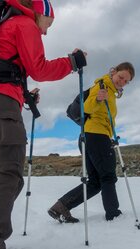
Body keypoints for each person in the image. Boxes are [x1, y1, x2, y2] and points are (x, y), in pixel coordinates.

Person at [0, 0, 86, 249]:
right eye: (48, 23)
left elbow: (3, 68)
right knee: (8, 175)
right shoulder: (24, 23)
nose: (45, 31)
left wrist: (23, 96)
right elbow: (40, 69)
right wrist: (72, 62)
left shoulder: (4, 24)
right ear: (39, 13)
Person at [48, 62, 135, 223]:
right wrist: (97, 99)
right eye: (121, 77)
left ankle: (61, 207)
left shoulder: (107, 88)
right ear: (113, 72)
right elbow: (86, 108)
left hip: (89, 137)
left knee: (95, 182)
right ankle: (113, 214)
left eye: (126, 81)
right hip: (97, 136)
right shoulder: (103, 86)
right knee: (108, 177)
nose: (122, 81)